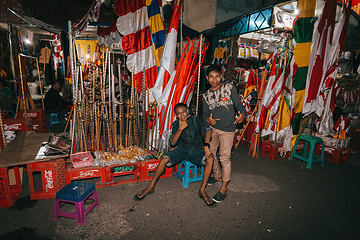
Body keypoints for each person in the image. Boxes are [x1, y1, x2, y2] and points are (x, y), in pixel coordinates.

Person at [134, 103, 216, 207]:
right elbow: (173, 142)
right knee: (164, 158)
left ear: (188, 110)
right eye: (179, 113)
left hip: (196, 150)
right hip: (182, 150)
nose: (182, 115)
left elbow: (207, 131)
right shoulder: (176, 124)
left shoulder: (195, 120)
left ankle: (202, 190)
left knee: (210, 159)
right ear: (176, 115)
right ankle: (151, 186)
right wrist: (180, 129)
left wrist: (206, 146)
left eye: (184, 111)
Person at [202, 64, 246, 203]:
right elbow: (204, 116)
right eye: (211, 77)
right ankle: (217, 175)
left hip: (228, 129)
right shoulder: (206, 96)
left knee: (224, 158)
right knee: (210, 154)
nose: (214, 80)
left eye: (217, 76)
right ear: (207, 78)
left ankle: (224, 188)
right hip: (213, 129)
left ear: (221, 76)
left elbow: (239, 105)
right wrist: (208, 120)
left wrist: (242, 115)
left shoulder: (229, 88)